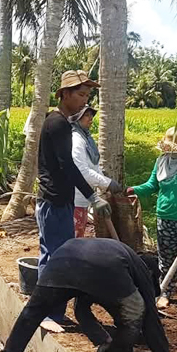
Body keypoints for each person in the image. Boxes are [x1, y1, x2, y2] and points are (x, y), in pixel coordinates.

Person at [0, 238, 177, 352]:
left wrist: (103, 341)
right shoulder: (142, 269)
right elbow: (150, 318)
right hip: (104, 268)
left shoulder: (116, 250)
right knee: (134, 318)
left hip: (63, 260)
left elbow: (81, 310)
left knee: (31, 315)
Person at [37, 70, 118, 331]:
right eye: (81, 95)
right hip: (55, 201)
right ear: (65, 94)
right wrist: (93, 195)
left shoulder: (59, 122)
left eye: (87, 95)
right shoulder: (58, 124)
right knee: (56, 257)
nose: (85, 100)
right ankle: (50, 314)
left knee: (50, 254)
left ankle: (47, 310)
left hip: (55, 200)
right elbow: (68, 166)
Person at [127, 127, 177, 309]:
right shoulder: (162, 162)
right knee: (166, 256)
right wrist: (134, 190)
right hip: (165, 215)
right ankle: (165, 291)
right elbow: (152, 185)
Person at [71, 105, 116, 237]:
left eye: (91, 115)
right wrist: (107, 183)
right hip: (75, 198)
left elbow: (93, 167)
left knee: (77, 236)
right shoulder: (77, 140)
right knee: (73, 240)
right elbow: (81, 171)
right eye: (86, 115)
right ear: (77, 118)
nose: (90, 119)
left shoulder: (87, 138)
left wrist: (104, 181)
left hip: (83, 198)